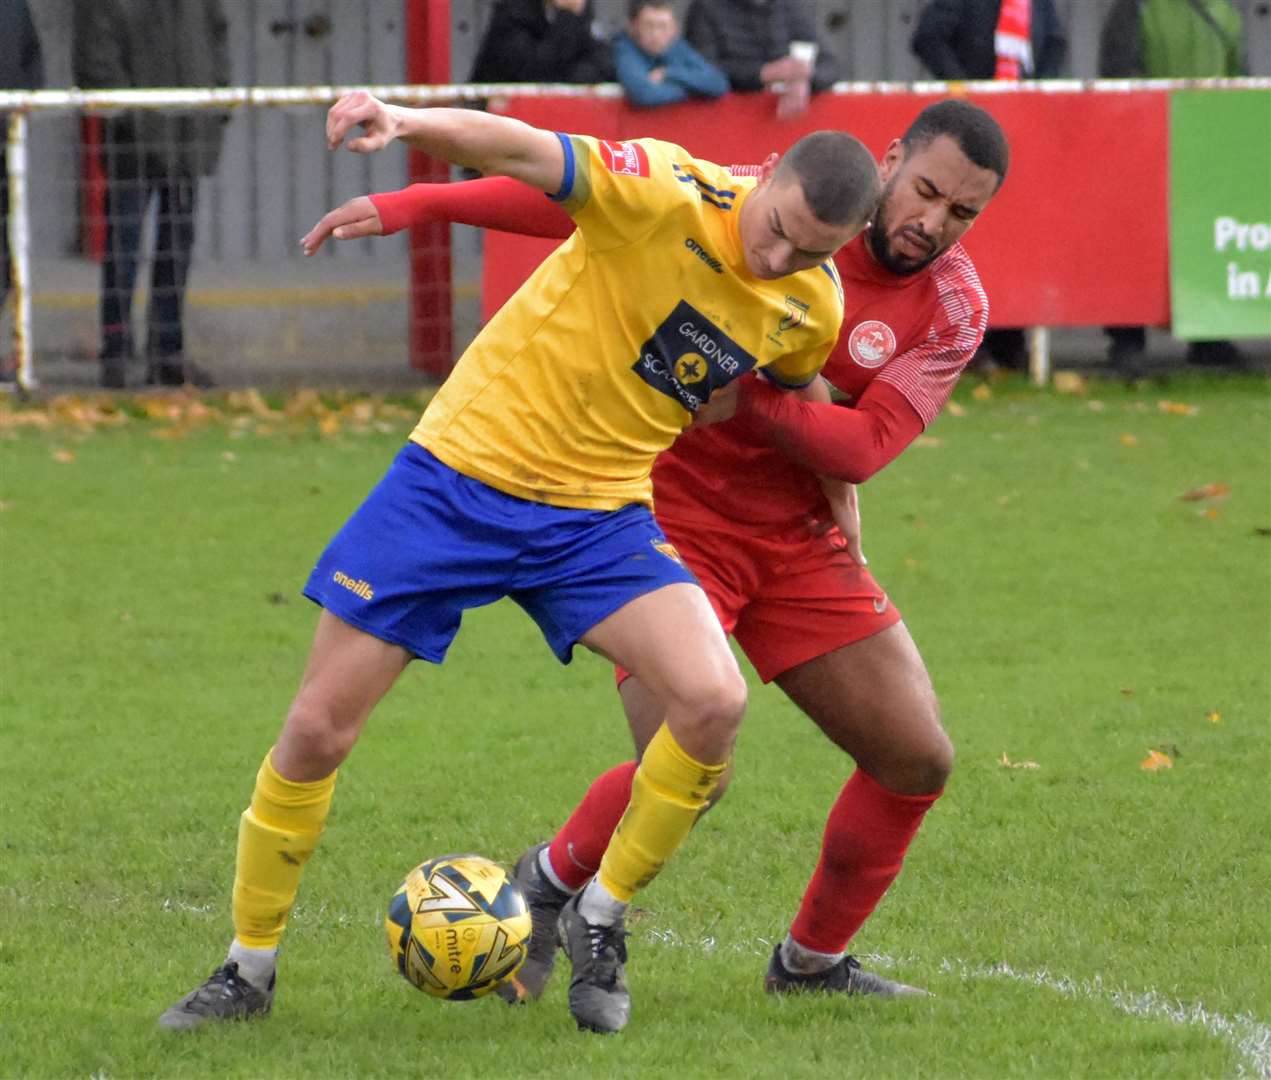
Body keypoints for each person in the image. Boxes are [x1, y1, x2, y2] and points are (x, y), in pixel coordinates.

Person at [160, 93, 880, 1035]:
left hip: (597, 517)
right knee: (315, 733)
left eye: (812, 251)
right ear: (768, 171)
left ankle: (597, 914)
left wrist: (843, 510)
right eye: (779, 229)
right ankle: (245, 973)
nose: (780, 258)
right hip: (454, 484)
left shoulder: (808, 304)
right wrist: (407, 121)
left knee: (714, 703)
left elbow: (785, 392)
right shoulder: (662, 189)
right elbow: (526, 151)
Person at [303, 99, 1009, 1005]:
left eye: (961, 213)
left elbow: (867, 448)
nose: (931, 223)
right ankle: (549, 886)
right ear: (889, 160)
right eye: (924, 193)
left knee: (918, 758)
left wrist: (747, 402)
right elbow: (570, 198)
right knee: (691, 759)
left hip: (796, 539)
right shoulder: (767, 199)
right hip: (661, 516)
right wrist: (422, 206)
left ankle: (809, 965)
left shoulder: (953, 305)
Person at [71, 0, 230, 390]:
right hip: (133, 142)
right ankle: (117, 353)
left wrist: (216, 106)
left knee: (176, 249)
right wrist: (135, 119)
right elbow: (94, 60)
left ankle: (167, 353)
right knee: (123, 249)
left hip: (188, 135)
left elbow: (218, 42)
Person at [911, 0, 1064, 373]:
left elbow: (1057, 41)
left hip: (1024, 133)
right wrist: (968, 93)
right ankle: (969, 342)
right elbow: (927, 38)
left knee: (1019, 236)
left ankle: (1010, 342)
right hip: (971, 136)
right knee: (967, 234)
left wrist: (1035, 93)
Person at [1100, 0, 1248, 373]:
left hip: (1207, 150)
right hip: (1145, 147)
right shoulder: (1134, 8)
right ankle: (1128, 338)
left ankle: (1208, 335)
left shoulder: (1225, 10)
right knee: (1136, 243)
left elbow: (1239, 81)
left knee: (1205, 239)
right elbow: (1120, 78)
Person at [683, 0, 843, 120]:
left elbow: (830, 65)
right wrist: (762, 73)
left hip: (785, 123)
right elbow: (701, 71)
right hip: (727, 121)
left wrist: (804, 78)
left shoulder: (787, 7)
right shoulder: (706, 7)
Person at [0, 0, 44, 339]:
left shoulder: (14, 7)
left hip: (5, 140)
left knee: (6, 243)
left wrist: (20, 107)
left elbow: (32, 59)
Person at [613, 0, 730, 108]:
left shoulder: (677, 46)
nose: (655, 34)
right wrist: (696, 88)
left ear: (674, 30)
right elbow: (645, 94)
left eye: (662, 26)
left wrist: (669, 73)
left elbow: (718, 83)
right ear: (633, 27)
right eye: (648, 25)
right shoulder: (625, 48)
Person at [470, 0, 615, 85]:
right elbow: (535, 71)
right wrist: (567, 16)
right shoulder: (513, 12)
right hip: (500, 120)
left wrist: (570, 77)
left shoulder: (580, 8)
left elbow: (604, 64)